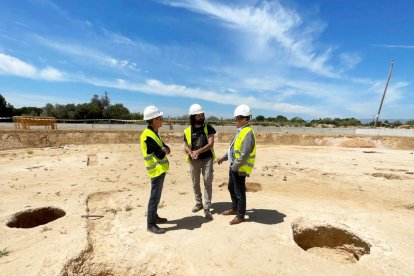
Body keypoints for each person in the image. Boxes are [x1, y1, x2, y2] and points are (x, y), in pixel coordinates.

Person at [217, 104, 256, 225]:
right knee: (231, 187)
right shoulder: (240, 131)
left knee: (239, 191)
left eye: (238, 118)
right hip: (234, 165)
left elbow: (244, 154)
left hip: (239, 167)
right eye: (235, 118)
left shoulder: (248, 133)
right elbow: (233, 149)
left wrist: (234, 167)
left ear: (245, 119)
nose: (235, 121)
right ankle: (235, 208)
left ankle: (240, 215)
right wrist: (225, 157)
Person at [140, 106, 170, 234]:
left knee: (157, 197)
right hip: (156, 171)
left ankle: (154, 216)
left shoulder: (154, 133)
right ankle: (151, 224)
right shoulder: (147, 136)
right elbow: (161, 153)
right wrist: (164, 150)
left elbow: (165, 147)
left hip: (160, 170)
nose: (162, 119)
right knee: (154, 197)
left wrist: (164, 149)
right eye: (160, 118)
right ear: (153, 120)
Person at [183, 104, 216, 220]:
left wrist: (198, 151)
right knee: (195, 182)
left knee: (207, 181)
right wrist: (190, 152)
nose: (201, 117)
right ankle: (199, 203)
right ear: (193, 117)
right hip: (193, 160)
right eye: (199, 116)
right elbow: (185, 146)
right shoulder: (187, 131)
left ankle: (207, 207)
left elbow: (211, 143)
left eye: (202, 115)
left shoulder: (208, 128)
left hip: (207, 159)